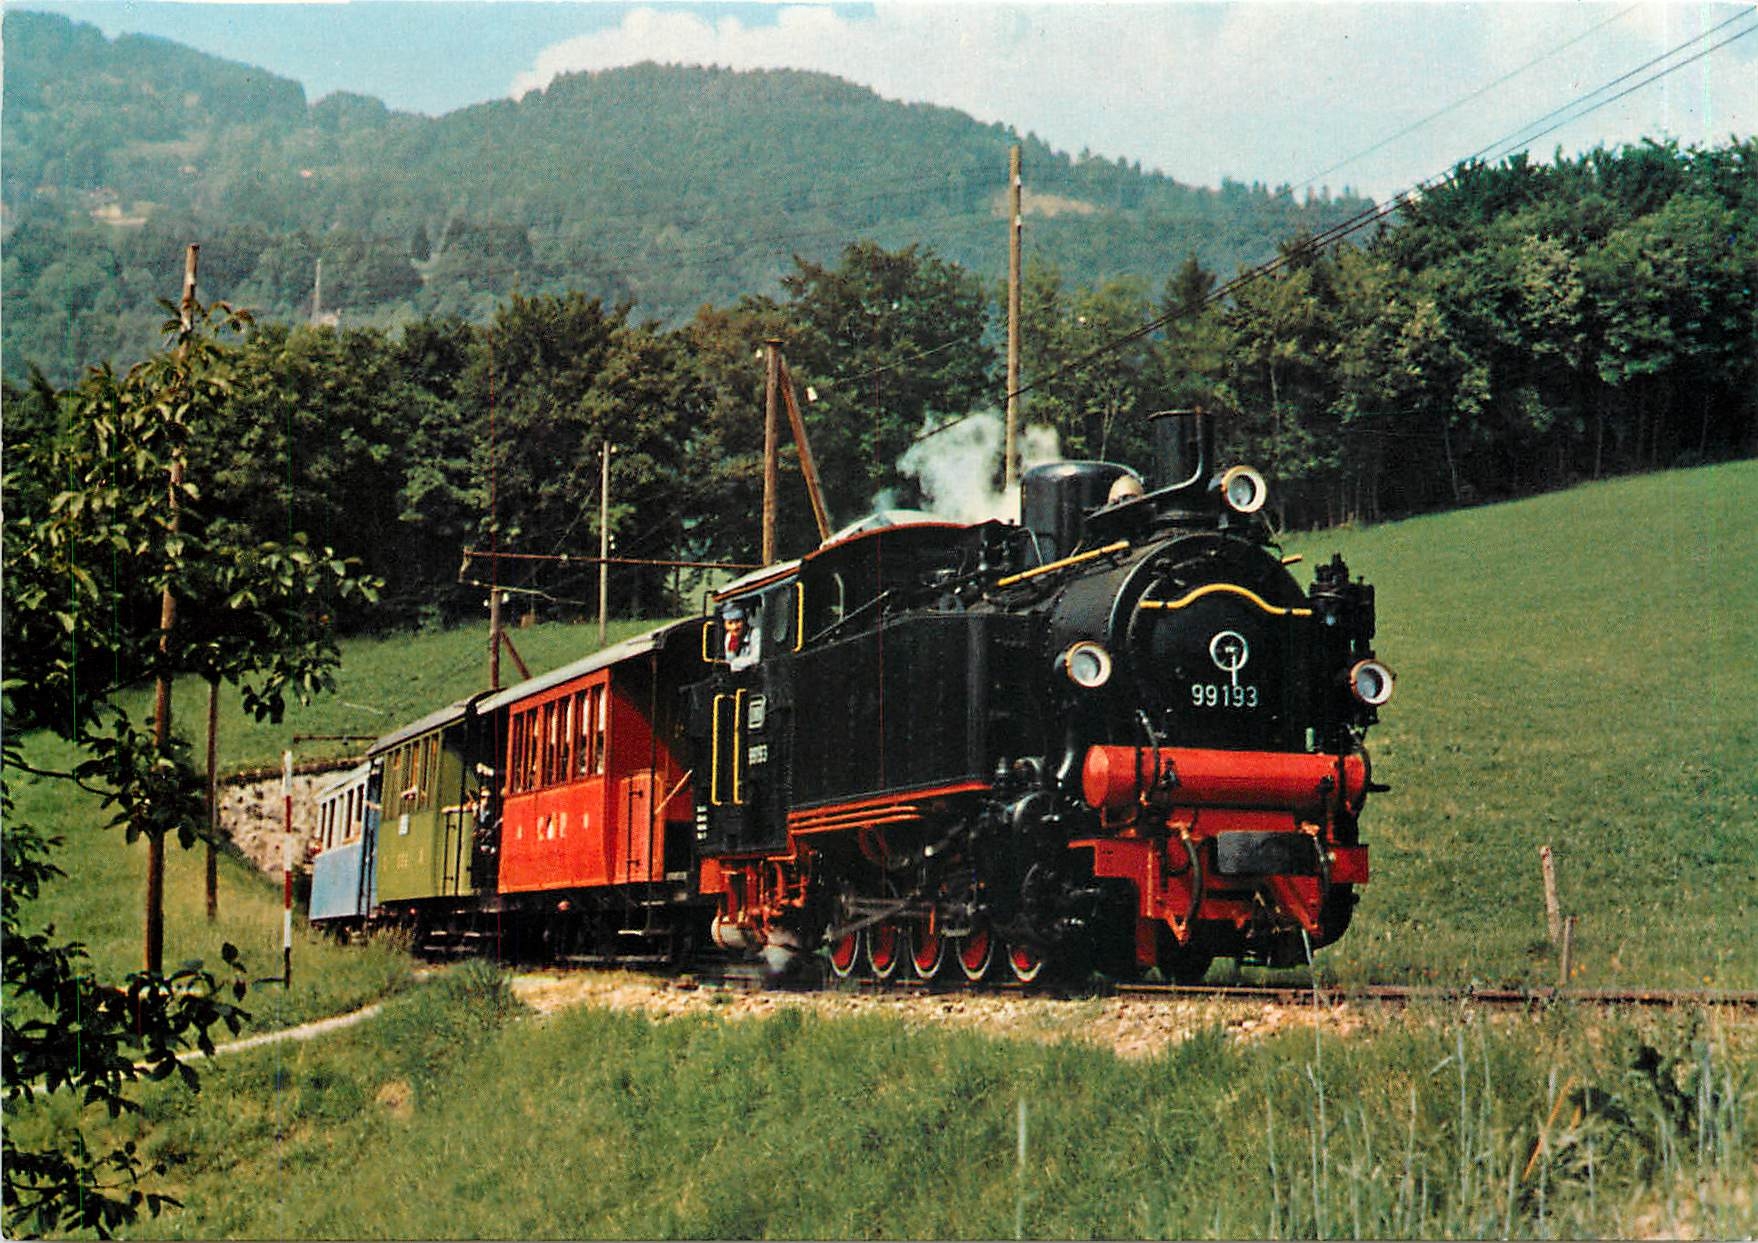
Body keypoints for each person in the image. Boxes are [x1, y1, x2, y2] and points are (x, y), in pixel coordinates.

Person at [723, 601, 760, 669]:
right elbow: (729, 660)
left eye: (737, 621)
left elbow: (755, 659)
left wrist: (734, 663)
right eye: (730, 623)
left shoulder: (756, 633)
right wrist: (732, 649)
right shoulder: (729, 637)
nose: (734, 627)